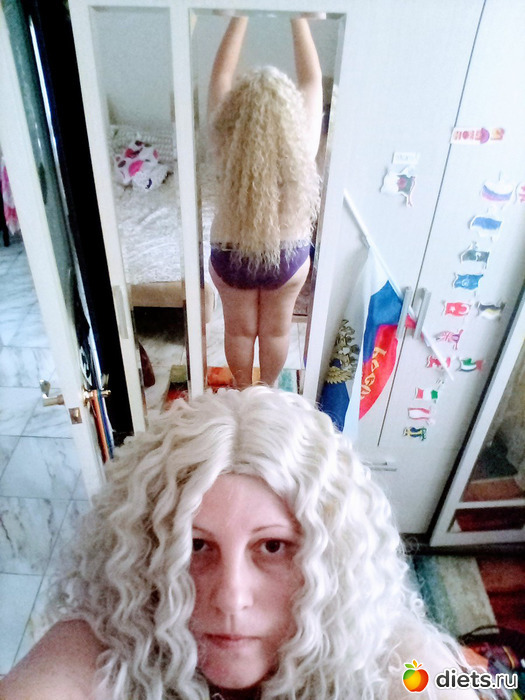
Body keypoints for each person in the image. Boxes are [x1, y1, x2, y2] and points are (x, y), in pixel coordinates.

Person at [0, 386, 480, 700]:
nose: (231, 598)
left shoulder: (391, 656)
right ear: (143, 557)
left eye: (272, 547)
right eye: (195, 546)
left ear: (333, 560)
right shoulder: (103, 643)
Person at [208, 16, 322, 388]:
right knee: (276, 331)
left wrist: (239, 14)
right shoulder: (302, 139)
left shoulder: (224, 137)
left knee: (238, 331)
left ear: (235, 110)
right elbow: (312, 81)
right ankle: (268, 391)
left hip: (231, 252)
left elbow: (221, 76)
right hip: (288, 252)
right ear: (290, 110)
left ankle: (243, 392)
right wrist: (299, 18)